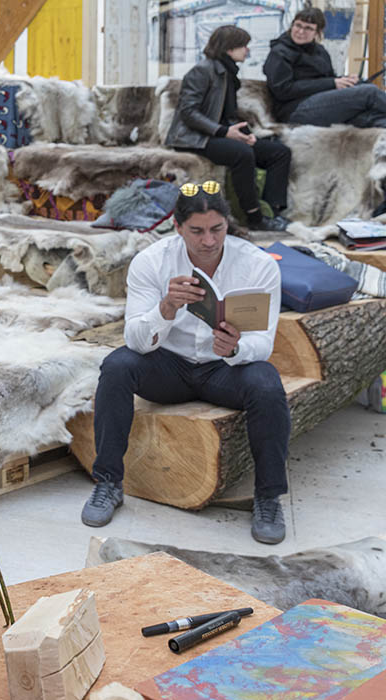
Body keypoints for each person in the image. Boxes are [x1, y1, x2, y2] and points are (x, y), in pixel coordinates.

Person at [80, 184, 290, 545]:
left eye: (216, 229)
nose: (208, 240)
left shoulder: (257, 265)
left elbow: (263, 343)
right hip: (169, 367)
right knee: (116, 366)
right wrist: (166, 309)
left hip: (224, 370)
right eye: (196, 231)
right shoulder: (152, 261)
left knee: (267, 384)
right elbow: (134, 339)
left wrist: (235, 348)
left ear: (227, 224)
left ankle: (268, 498)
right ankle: (109, 483)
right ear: (177, 227)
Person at [165, 25, 292, 232]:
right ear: (229, 48)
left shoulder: (228, 74)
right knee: (242, 154)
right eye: (244, 46)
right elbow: (188, 113)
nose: (247, 51)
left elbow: (226, 116)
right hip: (192, 138)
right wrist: (225, 133)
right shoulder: (203, 71)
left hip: (215, 135)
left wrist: (244, 135)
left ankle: (272, 212)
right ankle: (254, 217)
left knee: (278, 152)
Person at [264, 7, 386, 128]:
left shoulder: (319, 51)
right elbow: (283, 90)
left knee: (373, 119)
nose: (300, 32)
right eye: (298, 25)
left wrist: (346, 81)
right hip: (294, 110)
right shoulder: (280, 53)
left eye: (308, 28)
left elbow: (328, 79)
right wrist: (332, 83)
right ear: (292, 26)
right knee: (370, 92)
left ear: (317, 33)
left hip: (321, 103)